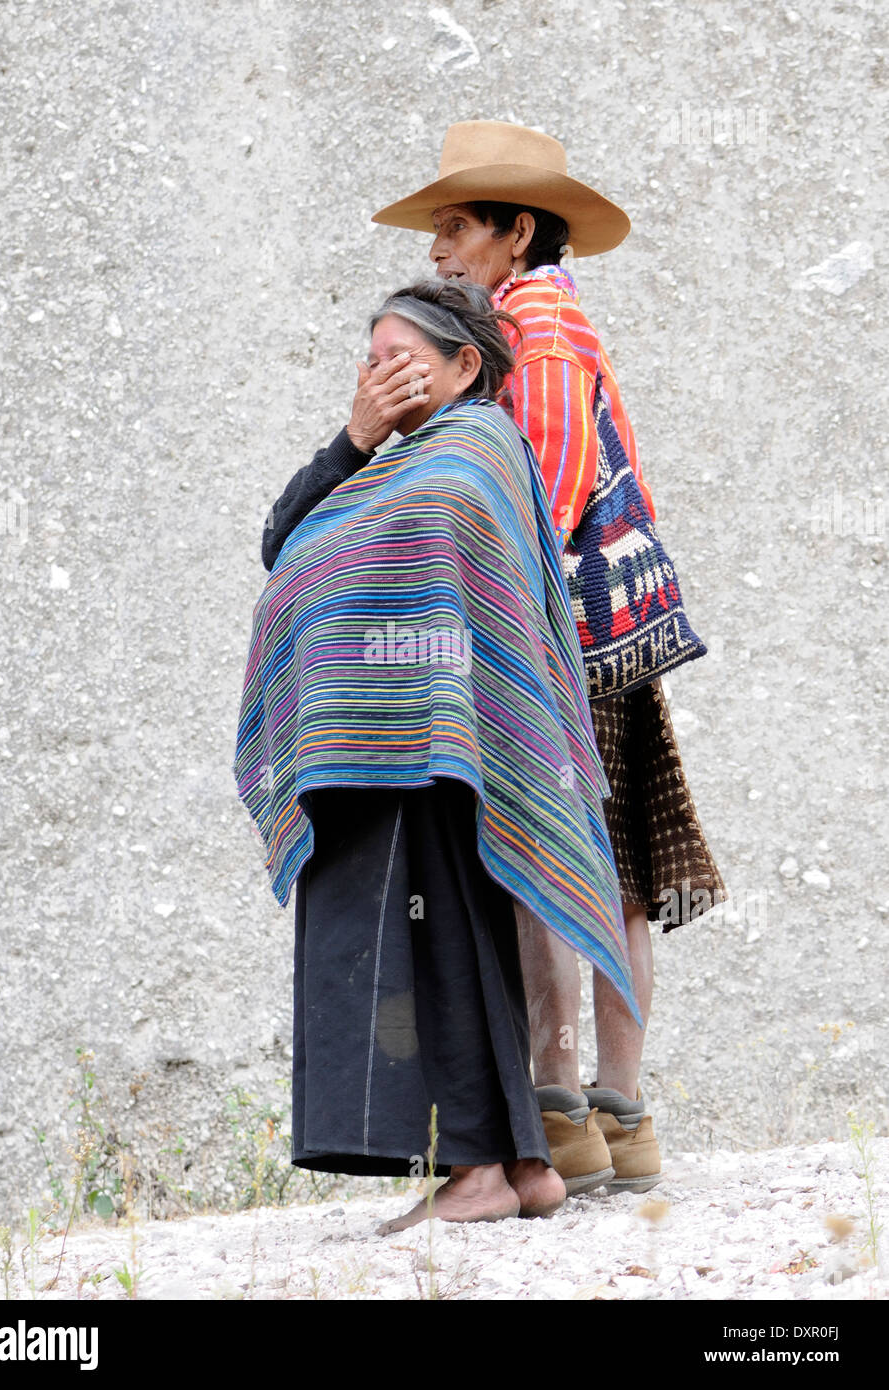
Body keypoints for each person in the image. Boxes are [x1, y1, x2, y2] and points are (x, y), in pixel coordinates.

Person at [233, 279, 640, 1232]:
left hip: (426, 747)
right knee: (442, 940)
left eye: (403, 357)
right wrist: (352, 441)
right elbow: (278, 541)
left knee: (424, 947)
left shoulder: (473, 460)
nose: (383, 374)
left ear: (467, 365)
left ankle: (479, 1170)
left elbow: (428, 577)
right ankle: (520, 1165)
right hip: (377, 746)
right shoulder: (390, 462)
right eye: (371, 360)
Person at [370, 120, 727, 1193]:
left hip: (569, 639)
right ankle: (615, 1111)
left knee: (551, 863)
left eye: (454, 229)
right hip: (608, 633)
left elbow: (551, 489)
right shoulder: (550, 322)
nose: (438, 253)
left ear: (515, 232)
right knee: (615, 872)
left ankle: (568, 1101)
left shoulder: (537, 330)